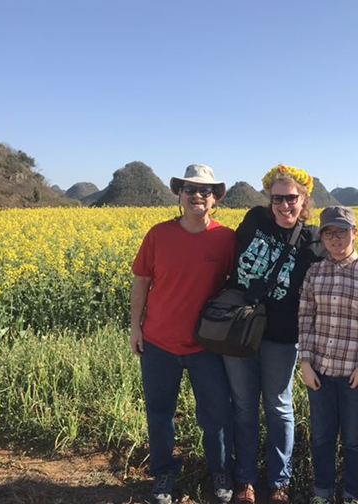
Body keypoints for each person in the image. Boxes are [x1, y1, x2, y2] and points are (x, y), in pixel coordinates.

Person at [130, 164, 236, 504]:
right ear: (179, 195)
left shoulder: (226, 238)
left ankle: (220, 471)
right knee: (159, 413)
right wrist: (135, 328)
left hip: (207, 345)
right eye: (190, 190)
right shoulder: (158, 235)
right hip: (159, 341)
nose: (197, 196)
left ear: (215, 199)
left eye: (205, 191)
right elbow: (141, 281)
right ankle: (163, 474)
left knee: (216, 414)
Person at [222, 164, 325, 504]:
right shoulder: (254, 220)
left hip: (282, 336)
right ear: (269, 199)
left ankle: (280, 481)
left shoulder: (312, 239)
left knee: (279, 407)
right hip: (239, 330)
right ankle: (245, 480)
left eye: (291, 198)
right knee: (243, 406)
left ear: (303, 198)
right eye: (277, 198)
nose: (284, 205)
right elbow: (226, 258)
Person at [298, 206, 358, 504]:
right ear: (322, 237)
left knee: (354, 440)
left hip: (354, 374)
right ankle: (322, 493)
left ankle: (353, 495)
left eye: (341, 231)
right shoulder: (315, 271)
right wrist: (305, 363)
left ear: (355, 233)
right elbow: (305, 319)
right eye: (329, 233)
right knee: (321, 438)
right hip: (319, 370)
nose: (335, 238)